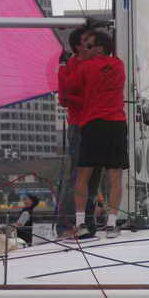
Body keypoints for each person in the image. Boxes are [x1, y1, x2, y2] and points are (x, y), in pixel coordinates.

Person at [60, 30, 128, 239]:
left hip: (92, 123)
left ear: (98, 48)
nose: (85, 50)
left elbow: (68, 88)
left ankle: (80, 223)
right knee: (115, 176)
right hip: (117, 123)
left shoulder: (85, 67)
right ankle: (111, 224)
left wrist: (65, 66)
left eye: (89, 46)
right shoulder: (119, 65)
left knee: (82, 176)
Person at [56, 27, 101, 236]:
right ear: (77, 46)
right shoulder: (71, 66)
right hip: (80, 125)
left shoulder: (99, 64)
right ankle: (67, 224)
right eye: (87, 42)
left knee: (95, 176)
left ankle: (88, 224)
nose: (92, 45)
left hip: (99, 124)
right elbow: (64, 98)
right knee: (78, 176)